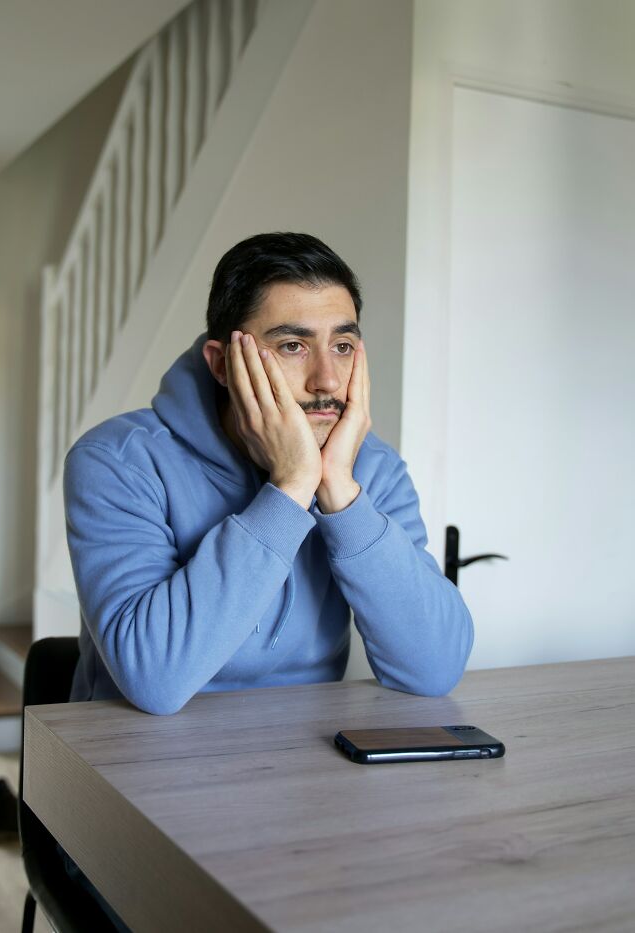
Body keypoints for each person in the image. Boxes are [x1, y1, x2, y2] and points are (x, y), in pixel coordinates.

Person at [64, 232, 473, 715]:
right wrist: (292, 486)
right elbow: (154, 679)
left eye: (343, 346)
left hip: (304, 760)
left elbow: (434, 669)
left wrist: (340, 493)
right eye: (294, 345)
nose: (326, 379)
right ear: (221, 364)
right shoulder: (117, 460)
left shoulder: (370, 468)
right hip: (134, 757)